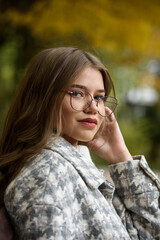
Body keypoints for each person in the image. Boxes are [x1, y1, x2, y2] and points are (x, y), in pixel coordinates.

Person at [0, 47, 160, 240]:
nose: (93, 107)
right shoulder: (47, 175)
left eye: (99, 97)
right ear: (43, 98)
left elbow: (151, 233)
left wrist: (121, 158)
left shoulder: (70, 168)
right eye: (77, 93)